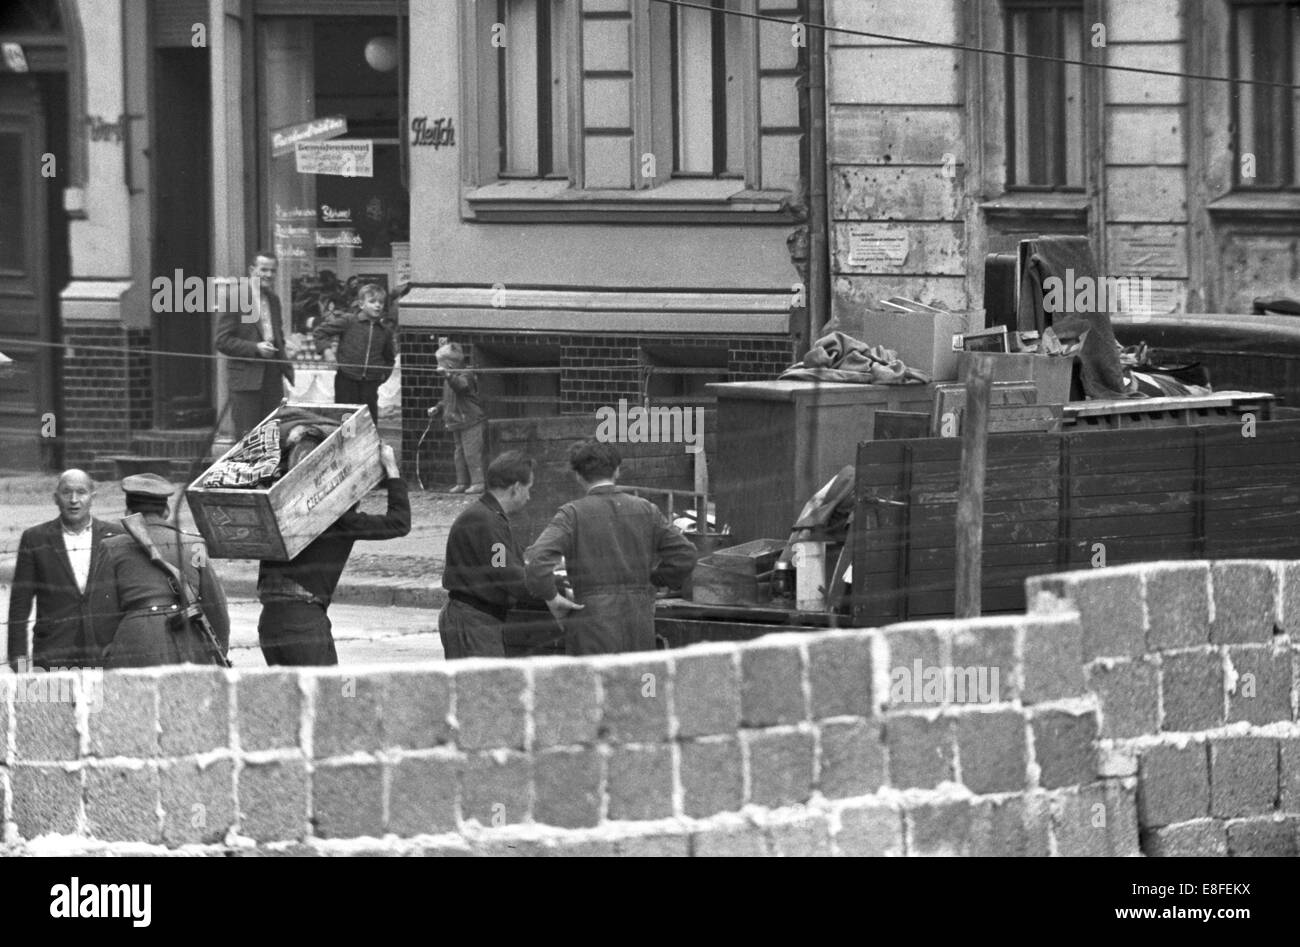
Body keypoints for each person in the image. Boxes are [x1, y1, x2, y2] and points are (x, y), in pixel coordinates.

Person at [524, 439, 697, 655]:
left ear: (578, 476)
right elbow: (686, 555)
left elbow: (537, 559)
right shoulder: (647, 509)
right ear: (616, 471)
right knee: (640, 684)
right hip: (639, 620)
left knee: (595, 687)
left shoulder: (571, 514)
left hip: (591, 623)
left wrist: (552, 597)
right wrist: (654, 580)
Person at [256, 443, 410, 665]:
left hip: (269, 623)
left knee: (290, 698)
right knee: (330, 696)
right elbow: (399, 523)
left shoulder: (281, 513)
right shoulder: (339, 520)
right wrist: (391, 469)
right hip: (303, 623)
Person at [87, 474, 230, 669]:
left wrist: (112, 652)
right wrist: (217, 651)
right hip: (190, 642)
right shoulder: (194, 544)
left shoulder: (111, 547)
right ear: (167, 510)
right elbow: (216, 609)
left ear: (128, 509)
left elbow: (101, 616)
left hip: (135, 642)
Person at [6, 470, 119, 671]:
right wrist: (19, 661)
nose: (74, 500)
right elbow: (19, 605)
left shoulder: (115, 536)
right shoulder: (35, 539)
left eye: (81, 492)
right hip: (53, 652)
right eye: (66, 492)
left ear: (93, 498)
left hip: (106, 652)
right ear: (55, 498)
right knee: (54, 701)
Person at [440, 450, 542, 658]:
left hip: (475, 618)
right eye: (528, 489)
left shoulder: (487, 516)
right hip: (474, 621)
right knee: (484, 687)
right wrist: (550, 589)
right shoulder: (487, 522)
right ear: (516, 488)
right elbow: (507, 572)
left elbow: (504, 562)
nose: (529, 496)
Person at [216, 250, 295, 438]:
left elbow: (277, 335)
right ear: (252, 270)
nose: (269, 275)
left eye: (273, 271)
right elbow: (222, 341)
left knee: (270, 436)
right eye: (264, 269)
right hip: (246, 380)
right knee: (247, 438)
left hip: (272, 378)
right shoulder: (234, 297)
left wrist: (285, 363)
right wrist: (255, 348)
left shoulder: (274, 300)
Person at [312, 282, 396, 427]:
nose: (377, 305)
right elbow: (320, 332)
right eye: (372, 301)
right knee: (347, 422)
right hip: (346, 380)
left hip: (370, 383)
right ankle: (347, 447)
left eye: (381, 302)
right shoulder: (348, 321)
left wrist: (382, 376)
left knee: (368, 421)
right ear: (361, 304)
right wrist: (327, 351)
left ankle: (368, 448)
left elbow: (389, 359)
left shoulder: (385, 331)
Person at [426, 340, 485, 494]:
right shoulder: (449, 380)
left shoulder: (466, 375)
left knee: (472, 453)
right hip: (456, 420)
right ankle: (462, 482)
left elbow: (461, 387)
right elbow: (447, 399)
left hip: (470, 420)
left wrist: (448, 376)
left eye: (440, 364)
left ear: (450, 365)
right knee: (459, 453)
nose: (438, 367)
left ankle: (478, 482)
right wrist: (438, 408)